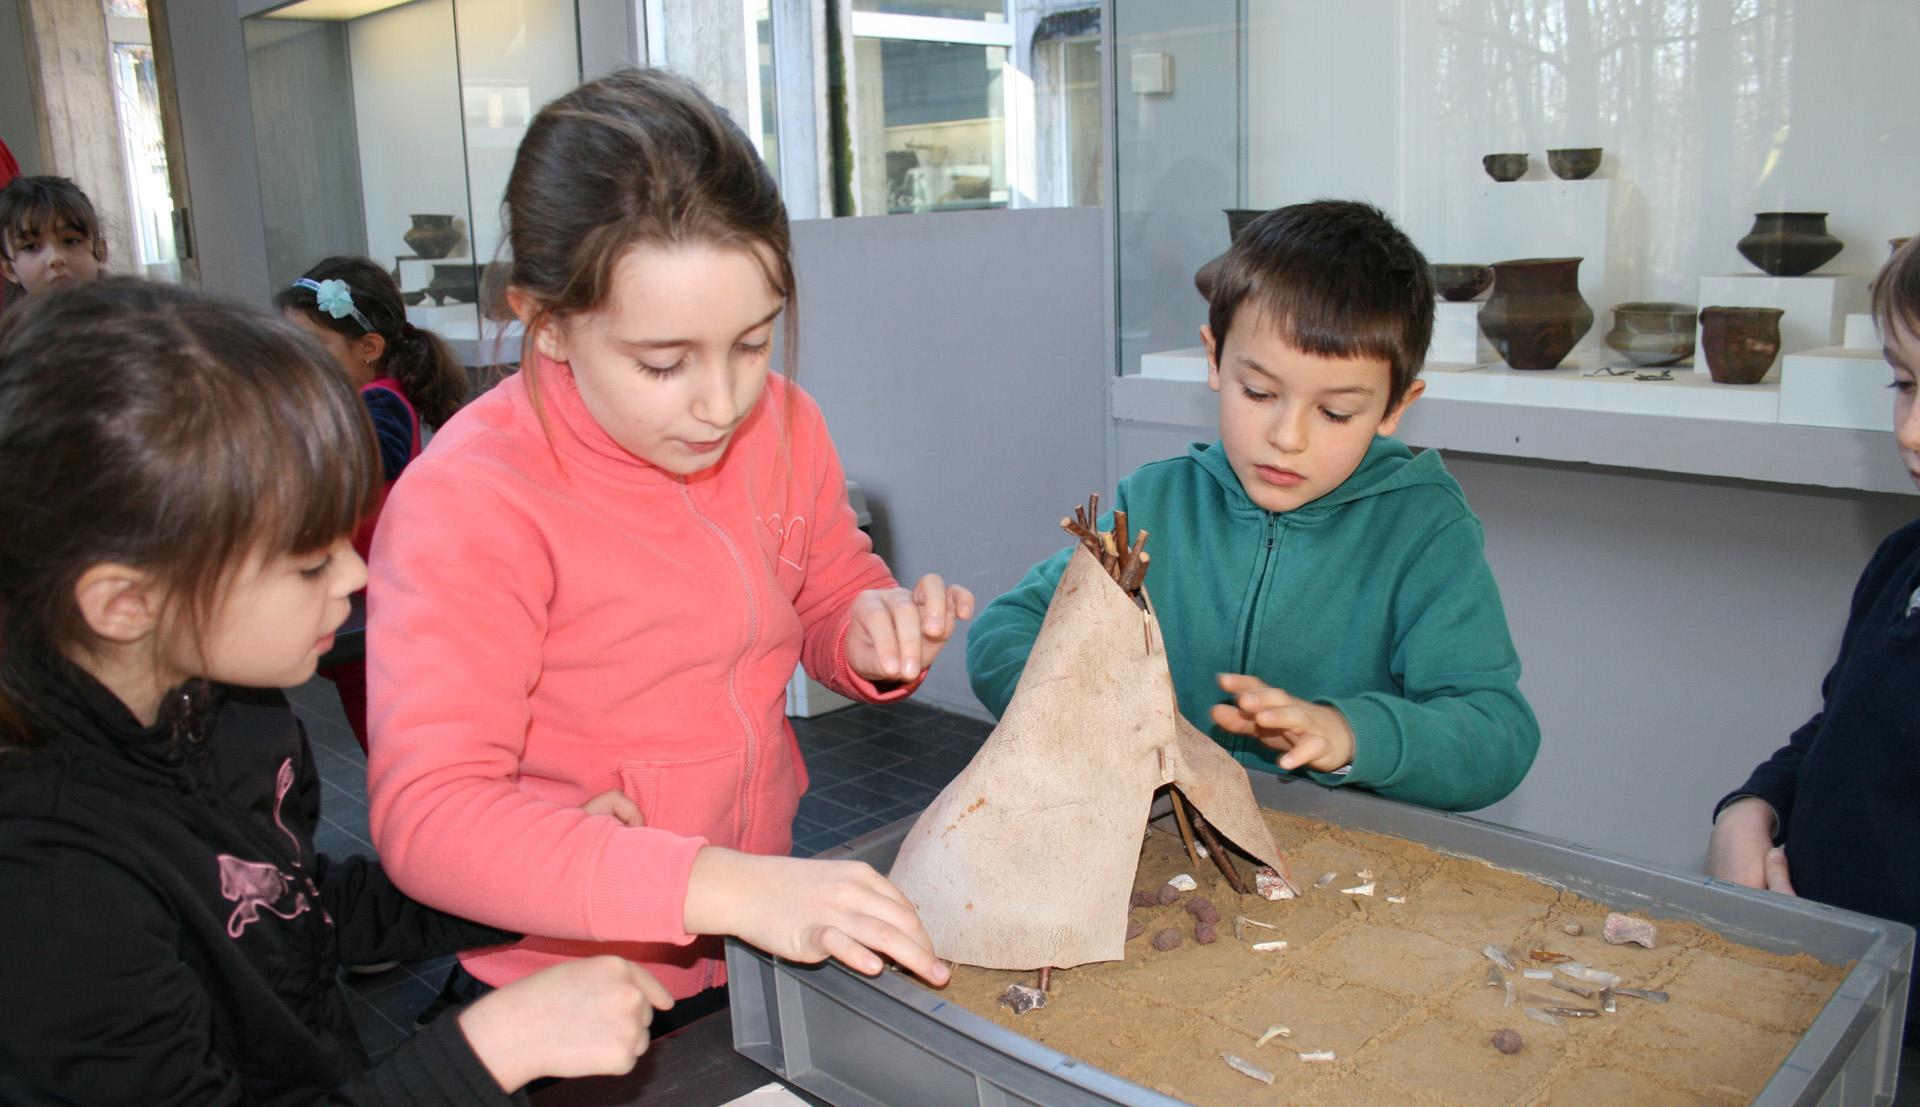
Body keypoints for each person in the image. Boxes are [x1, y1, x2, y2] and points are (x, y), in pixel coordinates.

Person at [366, 67, 966, 1018]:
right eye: (662, 363)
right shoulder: (472, 500)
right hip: (561, 984)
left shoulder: (784, 424)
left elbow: (824, 584)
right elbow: (431, 818)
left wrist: (865, 629)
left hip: (748, 936)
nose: (721, 403)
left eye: (752, 343)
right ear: (546, 324)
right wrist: (720, 885)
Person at [0, 279, 677, 1105]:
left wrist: (526, 872)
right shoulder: (47, 879)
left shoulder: (234, 712)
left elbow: (296, 904)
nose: (356, 575)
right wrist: (491, 1048)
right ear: (125, 603)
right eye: (309, 561)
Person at [969, 200, 1539, 812]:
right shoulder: (1159, 503)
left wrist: (1351, 736)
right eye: (1259, 392)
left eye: (1336, 412)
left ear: (1396, 405)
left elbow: (1496, 735)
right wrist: (1084, 717)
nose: (1287, 438)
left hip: (1335, 844)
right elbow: (1006, 629)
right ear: (1214, 359)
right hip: (1167, 829)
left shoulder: (1423, 531)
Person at [1706, 235, 1920, 1057]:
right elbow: (1841, 729)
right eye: (1905, 385)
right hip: (1825, 1003)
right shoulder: (1903, 562)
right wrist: (1751, 807)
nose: (1911, 431)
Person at [278, 256, 472, 751]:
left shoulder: (380, 402)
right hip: (370, 606)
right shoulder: (368, 400)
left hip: (380, 612)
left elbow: (364, 460)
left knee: (393, 748)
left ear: (368, 348)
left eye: (312, 347)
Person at [0, 174, 106, 297]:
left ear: (100, 252)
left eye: (71, 241)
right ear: (8, 269)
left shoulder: (123, 307)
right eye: (31, 247)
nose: (55, 258)